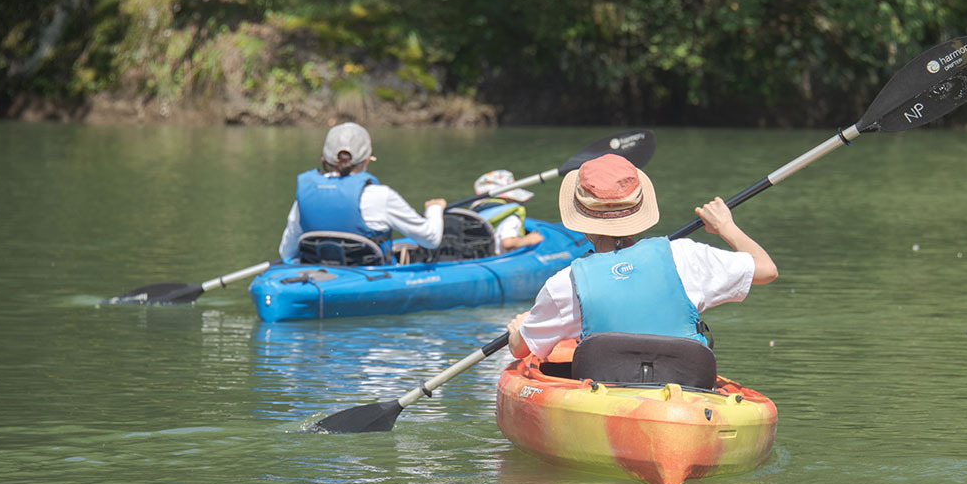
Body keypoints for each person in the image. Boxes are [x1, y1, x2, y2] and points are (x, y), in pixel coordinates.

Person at [506, 153, 777, 360]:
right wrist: (725, 228)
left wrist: (518, 329)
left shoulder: (564, 285)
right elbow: (766, 270)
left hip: (607, 397)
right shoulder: (685, 255)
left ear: (582, 222)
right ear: (640, 213)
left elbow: (520, 350)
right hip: (687, 388)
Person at [278, 122, 446, 262]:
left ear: (325, 159)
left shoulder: (306, 196)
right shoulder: (381, 197)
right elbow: (431, 239)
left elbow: (287, 254)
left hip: (318, 275)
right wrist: (435, 209)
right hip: (368, 277)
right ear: (367, 159)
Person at [470, 169, 545, 254]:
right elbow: (507, 243)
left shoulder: (477, 215)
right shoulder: (510, 218)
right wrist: (528, 240)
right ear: (508, 198)